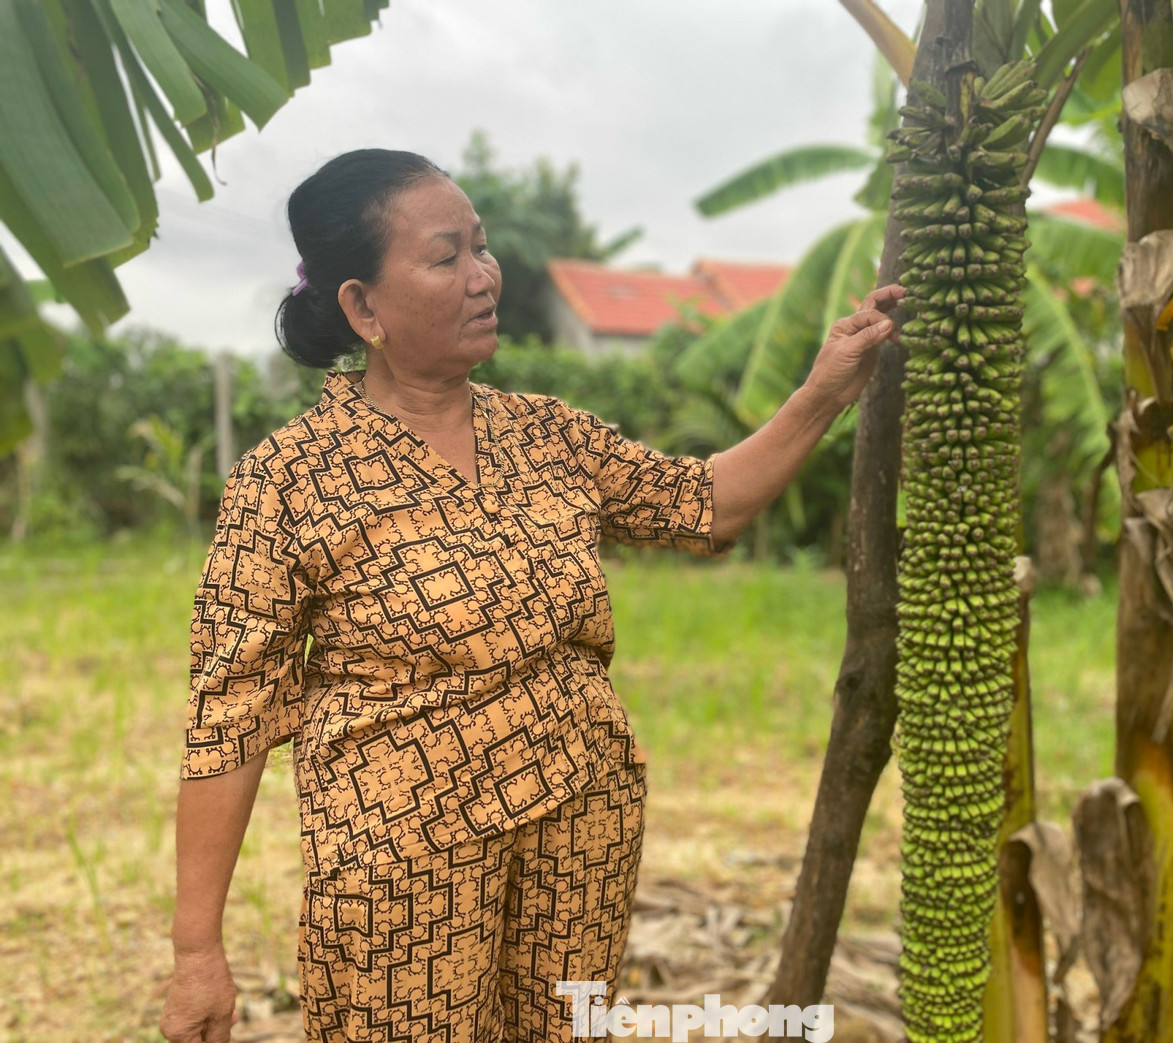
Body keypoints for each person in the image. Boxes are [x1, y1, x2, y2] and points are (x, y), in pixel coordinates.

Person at [158, 147, 904, 1043]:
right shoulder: (286, 481)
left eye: (483, 246)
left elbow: (705, 506)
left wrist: (823, 392)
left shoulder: (547, 434)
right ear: (362, 306)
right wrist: (197, 948)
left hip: (582, 824)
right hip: (404, 869)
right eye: (447, 256)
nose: (484, 276)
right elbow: (228, 718)